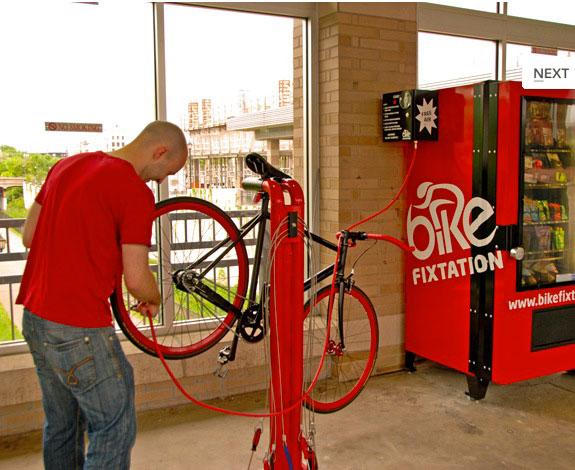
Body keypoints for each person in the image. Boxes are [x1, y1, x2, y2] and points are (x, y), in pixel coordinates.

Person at [16, 120, 188, 469]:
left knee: (62, 425)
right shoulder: (135, 192)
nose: (157, 181)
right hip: (79, 329)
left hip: (35, 319)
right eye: (163, 172)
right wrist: (153, 296)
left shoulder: (66, 166)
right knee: (113, 426)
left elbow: (29, 235)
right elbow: (137, 280)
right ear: (159, 151)